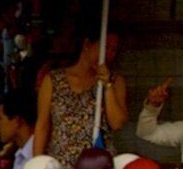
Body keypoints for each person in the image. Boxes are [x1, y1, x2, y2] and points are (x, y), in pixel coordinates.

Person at [34, 26, 122, 161]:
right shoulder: (53, 80)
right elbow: (42, 126)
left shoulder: (115, 81)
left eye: (113, 50)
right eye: (106, 47)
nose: (108, 54)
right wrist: (36, 164)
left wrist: (108, 86)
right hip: (60, 163)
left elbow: (117, 123)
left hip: (97, 164)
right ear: (87, 44)